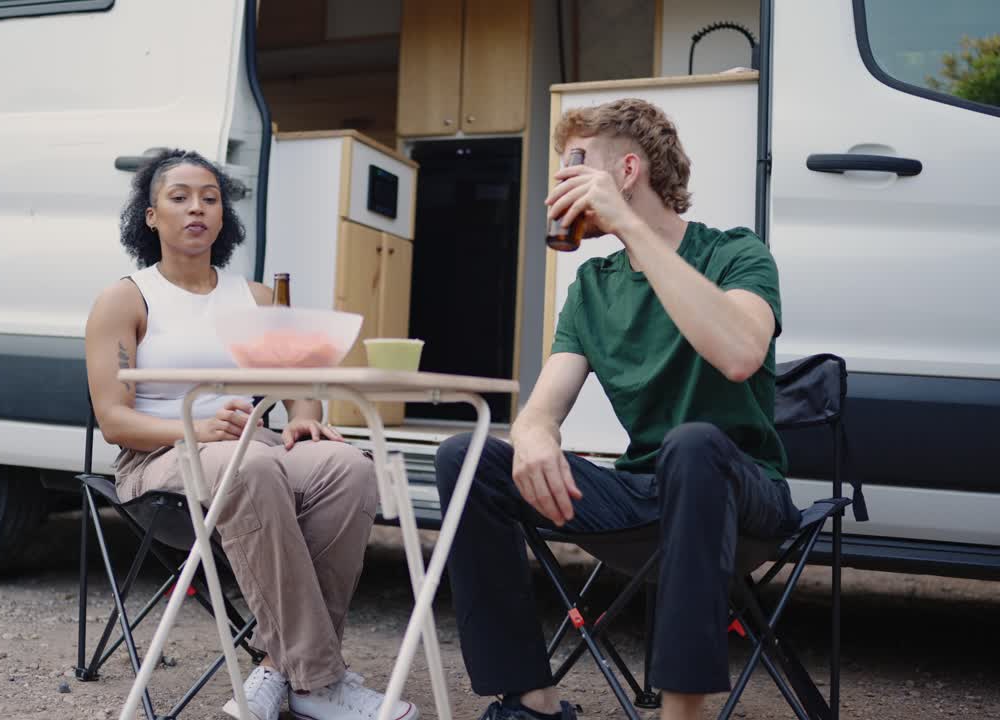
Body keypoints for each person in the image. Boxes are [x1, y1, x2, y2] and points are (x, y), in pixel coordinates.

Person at [434, 99, 802, 720]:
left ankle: (682, 712)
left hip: (743, 496)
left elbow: (739, 353)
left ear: (627, 171)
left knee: (694, 444)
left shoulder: (736, 253)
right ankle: (531, 700)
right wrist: (534, 436)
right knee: (464, 456)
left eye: (575, 162)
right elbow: (542, 407)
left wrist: (632, 230)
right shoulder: (593, 287)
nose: (560, 181)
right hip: (643, 496)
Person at [84, 148, 418, 720]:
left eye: (210, 198)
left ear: (224, 215)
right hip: (159, 458)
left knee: (349, 468)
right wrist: (197, 429)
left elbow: (296, 381)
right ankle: (318, 680)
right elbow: (114, 421)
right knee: (252, 465)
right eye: (180, 197)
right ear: (150, 215)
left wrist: (307, 414)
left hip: (249, 453)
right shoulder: (127, 298)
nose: (198, 209)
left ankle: (276, 671)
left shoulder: (256, 297)